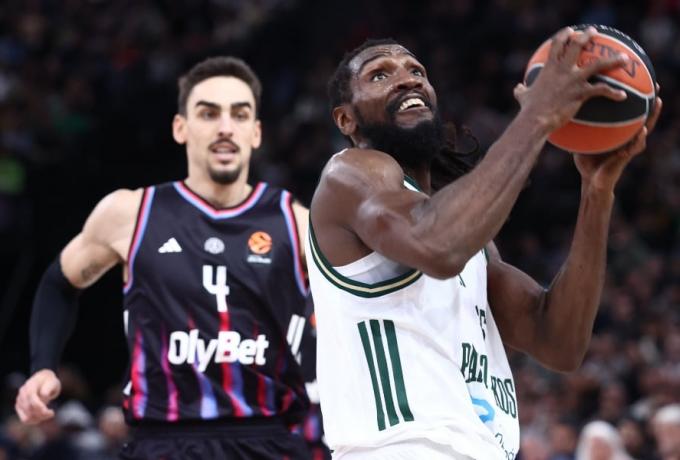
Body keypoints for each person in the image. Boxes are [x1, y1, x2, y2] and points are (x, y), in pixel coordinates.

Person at [306, 28, 662, 460]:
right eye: (379, 75)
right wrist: (538, 115)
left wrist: (596, 191)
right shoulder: (348, 175)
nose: (406, 79)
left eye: (416, 71)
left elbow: (559, 341)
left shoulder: (470, 239)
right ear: (346, 120)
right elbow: (436, 247)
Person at [15, 56, 317, 459]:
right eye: (208, 113)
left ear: (256, 132)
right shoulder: (130, 213)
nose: (225, 127)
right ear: (180, 128)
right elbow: (59, 282)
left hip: (267, 439)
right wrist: (43, 366)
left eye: (240, 114)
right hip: (162, 442)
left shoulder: (296, 223)